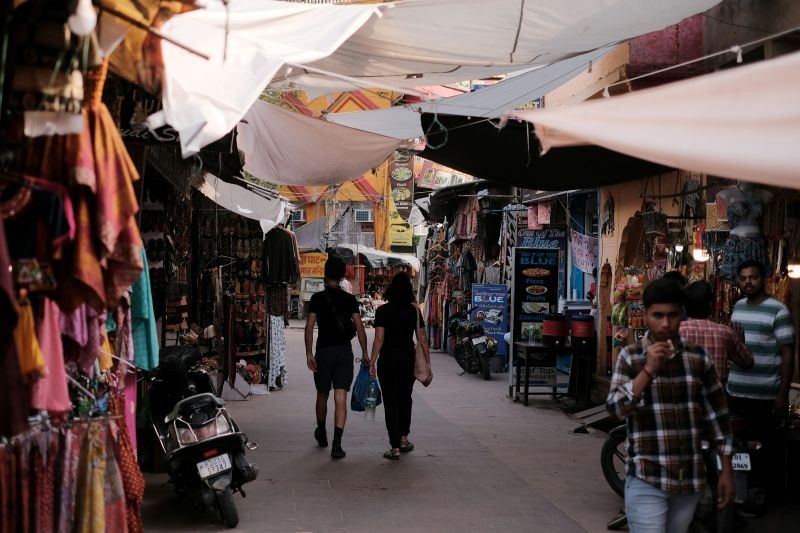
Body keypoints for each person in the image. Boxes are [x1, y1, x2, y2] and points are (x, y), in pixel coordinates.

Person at [607, 278, 734, 533]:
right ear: (646, 315)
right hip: (646, 475)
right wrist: (648, 370)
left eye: (672, 315)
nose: (665, 323)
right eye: (658, 315)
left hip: (689, 477)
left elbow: (718, 417)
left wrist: (726, 470)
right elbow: (616, 409)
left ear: (681, 315)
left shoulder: (698, 358)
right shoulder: (631, 357)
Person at [726, 260, 795, 498]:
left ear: (763, 278)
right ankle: (739, 495)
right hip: (736, 392)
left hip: (764, 394)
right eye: (743, 278)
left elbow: (787, 353)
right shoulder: (738, 307)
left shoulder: (779, 310)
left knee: (761, 449)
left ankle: (760, 496)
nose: (748, 282)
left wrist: (783, 393)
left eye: (753, 277)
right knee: (737, 449)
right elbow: (736, 347)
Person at [305, 257, 368, 459]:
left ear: (325, 274)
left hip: (323, 352)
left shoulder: (317, 299)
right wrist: (365, 353)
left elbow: (309, 326)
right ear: (342, 276)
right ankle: (337, 445)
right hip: (343, 353)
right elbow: (360, 327)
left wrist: (309, 353)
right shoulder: (349, 300)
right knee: (340, 397)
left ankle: (322, 431)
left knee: (322, 394)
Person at [368, 272, 430, 461]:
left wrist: (372, 362)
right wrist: (428, 363)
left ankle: (394, 447)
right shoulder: (414, 311)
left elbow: (379, 339)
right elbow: (422, 339)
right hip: (407, 359)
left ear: (391, 289)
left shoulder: (382, 311)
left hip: (388, 360)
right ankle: (404, 439)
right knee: (405, 399)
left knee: (391, 402)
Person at [680, 280, 753, 384]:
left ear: (685, 307)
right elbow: (747, 362)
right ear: (710, 304)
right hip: (715, 392)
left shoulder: (676, 331)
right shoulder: (725, 332)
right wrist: (741, 342)